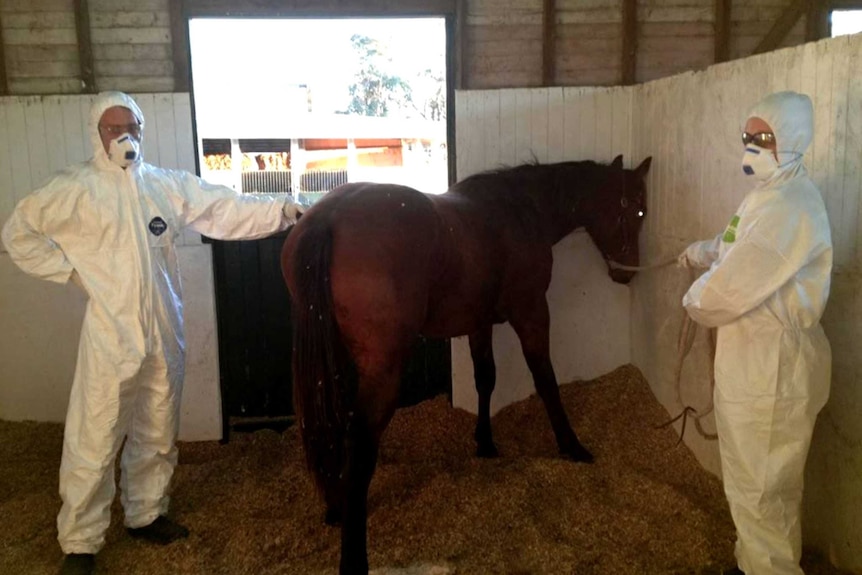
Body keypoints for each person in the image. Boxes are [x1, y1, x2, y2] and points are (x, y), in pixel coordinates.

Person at [1, 91, 305, 575]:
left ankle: (145, 514)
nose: (124, 136)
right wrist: (71, 274)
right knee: (95, 435)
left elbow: (223, 207)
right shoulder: (74, 189)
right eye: (112, 127)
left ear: (141, 131)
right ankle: (80, 541)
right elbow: (18, 231)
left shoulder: (165, 187)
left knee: (158, 428)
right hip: (110, 335)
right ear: (96, 133)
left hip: (164, 330)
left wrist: (282, 211)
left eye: (132, 127)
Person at [678, 91, 832, 575]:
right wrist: (699, 251)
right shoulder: (766, 197)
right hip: (753, 366)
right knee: (753, 487)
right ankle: (753, 564)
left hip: (771, 372)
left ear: (791, 139)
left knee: (764, 490)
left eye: (763, 138)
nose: (752, 147)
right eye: (749, 138)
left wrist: (692, 298)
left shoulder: (790, 207)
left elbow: (727, 288)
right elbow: (736, 248)